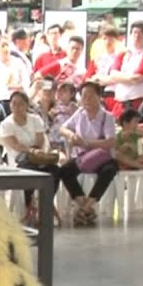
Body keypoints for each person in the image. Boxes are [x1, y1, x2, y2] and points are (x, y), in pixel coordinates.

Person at [57, 82, 120, 226]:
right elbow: (62, 128)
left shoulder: (107, 117)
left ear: (99, 97)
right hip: (82, 157)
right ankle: (84, 205)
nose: (87, 99)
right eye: (84, 96)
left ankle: (85, 208)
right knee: (65, 171)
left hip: (101, 158)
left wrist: (86, 143)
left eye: (91, 96)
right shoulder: (80, 113)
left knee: (110, 170)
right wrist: (71, 135)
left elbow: (110, 142)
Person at [1, 90, 58, 225]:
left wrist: (36, 151)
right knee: (29, 171)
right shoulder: (6, 124)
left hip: (38, 156)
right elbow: (15, 145)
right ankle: (29, 205)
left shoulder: (35, 119)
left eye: (20, 104)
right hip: (19, 159)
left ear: (26, 105)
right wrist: (30, 150)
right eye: (13, 104)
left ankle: (46, 203)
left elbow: (40, 140)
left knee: (54, 171)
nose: (17, 107)